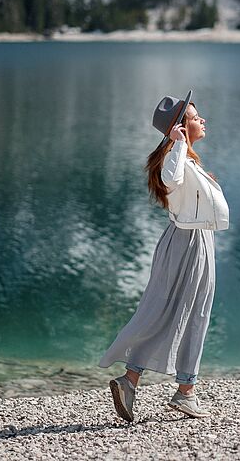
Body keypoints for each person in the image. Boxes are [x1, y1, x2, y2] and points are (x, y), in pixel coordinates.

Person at [98, 89, 229, 421]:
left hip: (187, 239)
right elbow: (172, 177)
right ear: (181, 128)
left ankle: (134, 380)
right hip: (189, 242)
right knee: (192, 313)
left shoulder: (182, 158)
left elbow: (180, 183)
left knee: (167, 311)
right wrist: (179, 141)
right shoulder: (176, 156)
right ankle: (184, 392)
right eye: (196, 117)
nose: (203, 120)